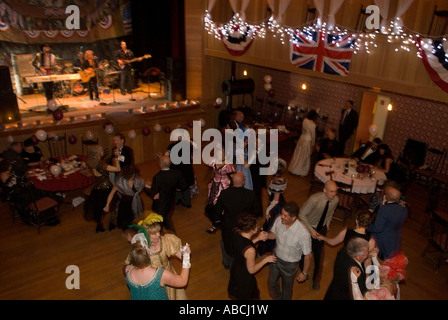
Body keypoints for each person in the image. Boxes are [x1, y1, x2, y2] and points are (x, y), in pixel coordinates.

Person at [126, 212, 189, 300]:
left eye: (159, 231)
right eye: (154, 233)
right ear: (147, 235)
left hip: (168, 276)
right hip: (152, 280)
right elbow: (131, 263)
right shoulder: (141, 248)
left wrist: (184, 253)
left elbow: (180, 256)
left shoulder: (166, 240)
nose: (158, 235)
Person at [264, 201, 312, 300]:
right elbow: (274, 234)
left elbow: (308, 255)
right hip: (275, 258)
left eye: (285, 215)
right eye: (282, 213)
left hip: (290, 265)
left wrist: (304, 273)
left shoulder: (303, 233)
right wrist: (267, 236)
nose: (281, 216)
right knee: (271, 284)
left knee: (287, 288)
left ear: (293, 218)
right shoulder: (278, 220)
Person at [214, 171, 261, 269]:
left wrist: (219, 221)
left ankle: (226, 263)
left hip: (228, 226)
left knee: (225, 243)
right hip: (243, 226)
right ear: (243, 182)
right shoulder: (250, 194)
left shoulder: (224, 193)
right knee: (241, 245)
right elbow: (256, 210)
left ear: (232, 181)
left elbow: (217, 210)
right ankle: (237, 265)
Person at [298, 180, 339, 290]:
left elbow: (330, 213)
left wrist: (328, 224)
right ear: (324, 190)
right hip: (309, 228)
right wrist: (311, 230)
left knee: (319, 256)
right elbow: (301, 214)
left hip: (322, 230)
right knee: (305, 253)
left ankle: (316, 280)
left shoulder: (336, 200)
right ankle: (303, 271)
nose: (334, 194)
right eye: (331, 191)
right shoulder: (314, 199)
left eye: (335, 191)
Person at [124, 236, 191, 300]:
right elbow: (182, 281)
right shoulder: (160, 274)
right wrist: (186, 257)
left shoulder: (128, 270)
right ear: (148, 255)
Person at [228, 214, 277, 300]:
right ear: (252, 230)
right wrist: (265, 260)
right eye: (256, 226)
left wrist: (257, 239)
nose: (258, 227)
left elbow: (243, 245)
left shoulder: (236, 232)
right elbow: (252, 270)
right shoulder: (251, 251)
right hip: (243, 276)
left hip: (236, 267)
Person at [146, 155, 188, 232]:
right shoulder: (177, 173)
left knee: (160, 223)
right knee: (167, 219)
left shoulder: (157, 177)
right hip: (170, 202)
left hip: (160, 204)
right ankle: (172, 235)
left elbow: (153, 193)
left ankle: (170, 235)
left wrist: (147, 186)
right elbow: (183, 186)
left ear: (160, 164)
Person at [84, 145, 120, 233]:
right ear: (98, 153)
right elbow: (117, 169)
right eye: (101, 151)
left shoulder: (91, 162)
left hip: (97, 188)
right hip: (106, 188)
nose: (103, 151)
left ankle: (99, 226)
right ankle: (112, 224)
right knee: (112, 207)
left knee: (98, 209)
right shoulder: (102, 164)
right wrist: (116, 158)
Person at [367, 186, 408, 260]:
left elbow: (378, 228)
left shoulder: (384, 209)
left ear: (386, 196)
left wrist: (367, 226)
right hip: (394, 240)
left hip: (380, 239)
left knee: (374, 260)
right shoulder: (404, 210)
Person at [104, 165, 148, 230]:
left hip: (136, 202)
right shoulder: (120, 182)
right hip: (125, 204)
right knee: (126, 221)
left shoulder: (138, 180)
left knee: (136, 219)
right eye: (131, 176)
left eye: (134, 175)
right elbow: (111, 194)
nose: (133, 177)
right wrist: (107, 205)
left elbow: (146, 185)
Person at [258, 158, 287, 256]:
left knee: (270, 228)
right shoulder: (280, 178)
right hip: (276, 203)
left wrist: (268, 211)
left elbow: (275, 200)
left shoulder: (277, 181)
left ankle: (265, 250)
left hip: (275, 206)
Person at [205, 149, 235, 234]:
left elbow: (232, 173)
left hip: (225, 186)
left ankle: (225, 224)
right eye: (217, 153)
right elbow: (215, 165)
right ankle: (214, 224)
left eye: (221, 153)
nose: (218, 154)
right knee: (213, 205)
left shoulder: (228, 165)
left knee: (224, 206)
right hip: (214, 186)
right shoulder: (215, 161)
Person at [288, 109, 318, 176]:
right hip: (307, 140)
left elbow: (302, 130)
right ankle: (300, 171)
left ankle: (293, 168)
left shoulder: (305, 120)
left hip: (302, 138)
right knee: (304, 156)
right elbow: (313, 135)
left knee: (298, 154)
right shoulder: (313, 124)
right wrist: (313, 144)